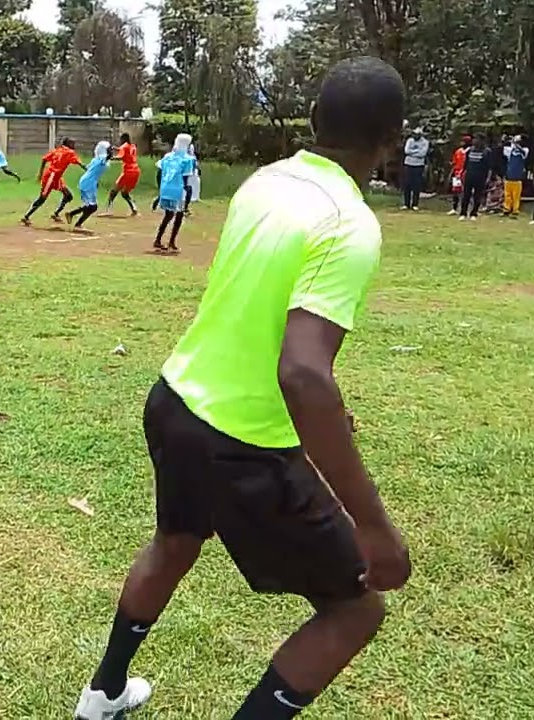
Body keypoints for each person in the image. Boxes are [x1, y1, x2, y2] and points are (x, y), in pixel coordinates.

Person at [71, 56, 410, 720]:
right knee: (354, 610)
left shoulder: (268, 181)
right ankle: (105, 694)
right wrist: (374, 527)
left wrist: (331, 415)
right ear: (392, 140)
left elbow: (260, 317)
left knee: (175, 541)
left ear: (313, 120)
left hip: (176, 400)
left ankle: (103, 692)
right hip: (242, 441)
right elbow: (303, 372)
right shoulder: (349, 222)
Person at [24, 137, 85, 225]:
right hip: (51, 177)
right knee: (42, 198)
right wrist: (87, 169)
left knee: (68, 196)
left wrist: (40, 173)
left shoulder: (57, 150)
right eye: (73, 143)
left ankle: (56, 214)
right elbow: (79, 162)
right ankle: (26, 216)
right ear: (68, 144)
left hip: (56, 177)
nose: (74, 145)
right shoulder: (69, 152)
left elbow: (44, 159)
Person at [153, 134, 197, 253]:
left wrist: (160, 190)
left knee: (168, 215)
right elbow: (186, 180)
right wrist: (187, 197)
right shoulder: (188, 159)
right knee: (179, 215)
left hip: (166, 188)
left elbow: (159, 173)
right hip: (178, 189)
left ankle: (158, 239)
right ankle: (172, 241)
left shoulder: (167, 157)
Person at [67, 140, 113, 231]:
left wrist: (96, 181)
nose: (110, 150)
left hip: (88, 182)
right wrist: (110, 153)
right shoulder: (102, 158)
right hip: (88, 182)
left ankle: (72, 216)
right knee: (92, 207)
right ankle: (76, 222)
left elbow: (91, 169)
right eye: (108, 149)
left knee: (90, 206)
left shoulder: (96, 159)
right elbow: (108, 157)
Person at [105, 133, 141, 215]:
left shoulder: (124, 146)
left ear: (123, 139)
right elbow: (126, 152)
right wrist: (116, 149)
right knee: (125, 193)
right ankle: (134, 208)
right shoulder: (132, 146)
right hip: (136, 171)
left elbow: (121, 156)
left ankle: (109, 210)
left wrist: (111, 157)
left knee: (113, 192)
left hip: (128, 171)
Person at [458, 134, 490, 220]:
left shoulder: (486, 152)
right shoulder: (470, 150)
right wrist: (462, 173)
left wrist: (488, 177)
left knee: (477, 196)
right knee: (466, 195)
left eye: (477, 139)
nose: (474, 141)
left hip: (480, 176)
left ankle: (474, 213)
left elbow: (489, 166)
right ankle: (463, 213)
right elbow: (466, 163)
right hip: (469, 175)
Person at [401, 127, 429, 210]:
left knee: (416, 185)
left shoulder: (425, 142)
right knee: (407, 184)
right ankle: (406, 204)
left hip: (419, 165)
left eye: (417, 135)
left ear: (420, 135)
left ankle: (415, 204)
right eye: (414, 134)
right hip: (408, 164)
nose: (415, 136)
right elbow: (406, 151)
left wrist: (412, 152)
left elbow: (423, 153)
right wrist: (417, 151)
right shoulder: (410, 140)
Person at [501, 135, 528, 218]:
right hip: (509, 175)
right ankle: (506, 210)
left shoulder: (525, 150)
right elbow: (504, 149)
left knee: (516, 196)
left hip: (517, 177)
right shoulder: (510, 150)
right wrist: (506, 140)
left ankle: (515, 211)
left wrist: (515, 143)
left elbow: (522, 152)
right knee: (507, 195)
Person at [446, 135, 470, 215]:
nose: (462, 143)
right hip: (457, 173)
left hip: (466, 173)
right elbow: (454, 162)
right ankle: (454, 208)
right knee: (456, 191)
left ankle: (467, 209)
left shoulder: (470, 151)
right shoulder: (458, 151)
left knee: (466, 191)